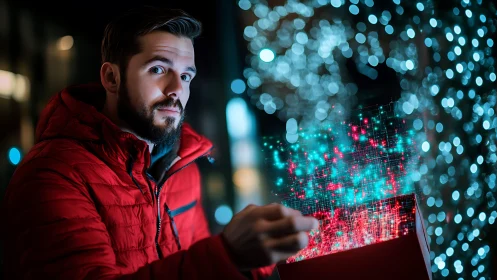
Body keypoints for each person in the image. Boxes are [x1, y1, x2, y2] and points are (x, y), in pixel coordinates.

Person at [1, 6, 318, 280]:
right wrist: (228, 256)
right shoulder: (53, 175)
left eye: (185, 76)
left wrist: (253, 263)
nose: (175, 89)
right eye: (158, 69)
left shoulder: (182, 165)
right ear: (112, 78)